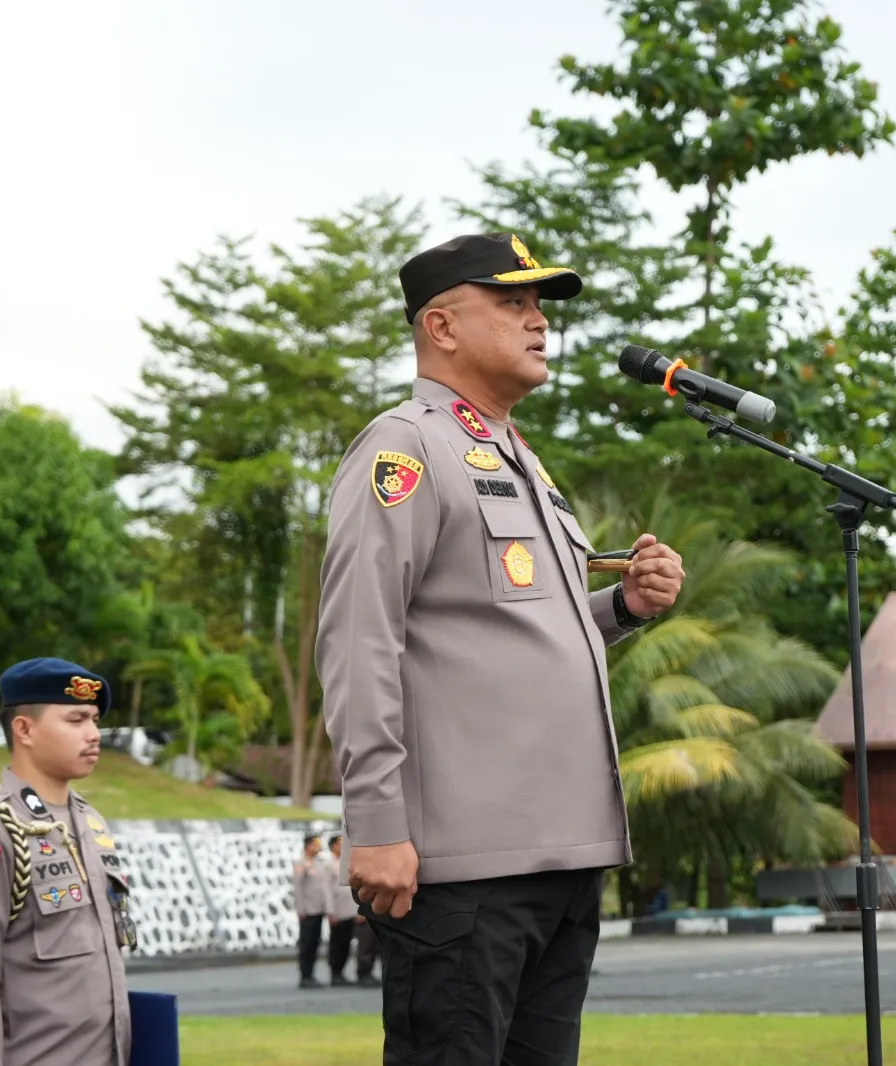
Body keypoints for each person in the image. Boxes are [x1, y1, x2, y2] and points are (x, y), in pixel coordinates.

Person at [316, 231, 686, 1064]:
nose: (538, 321)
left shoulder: (516, 455)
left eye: (540, 305)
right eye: (513, 302)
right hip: (465, 864)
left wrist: (621, 606)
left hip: (560, 854)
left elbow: (520, 631)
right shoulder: (404, 449)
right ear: (441, 327)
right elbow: (358, 639)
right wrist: (374, 824)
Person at [0, 657, 136, 1066]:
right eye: (76, 720)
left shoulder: (91, 824)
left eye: (95, 720)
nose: (94, 734)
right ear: (24, 729)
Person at [291, 833, 330, 989]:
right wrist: (301, 909)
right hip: (308, 910)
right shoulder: (300, 863)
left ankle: (311, 974)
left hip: (318, 909)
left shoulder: (319, 863)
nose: (318, 847)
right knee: (306, 944)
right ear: (308, 846)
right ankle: (305, 975)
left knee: (315, 942)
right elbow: (298, 888)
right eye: (315, 844)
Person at [324, 834, 356, 986]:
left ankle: (341, 972)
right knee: (337, 943)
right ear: (332, 846)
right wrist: (331, 911)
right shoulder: (327, 864)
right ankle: (335, 973)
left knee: (346, 942)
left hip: (350, 908)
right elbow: (327, 890)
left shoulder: (348, 862)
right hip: (337, 910)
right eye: (339, 844)